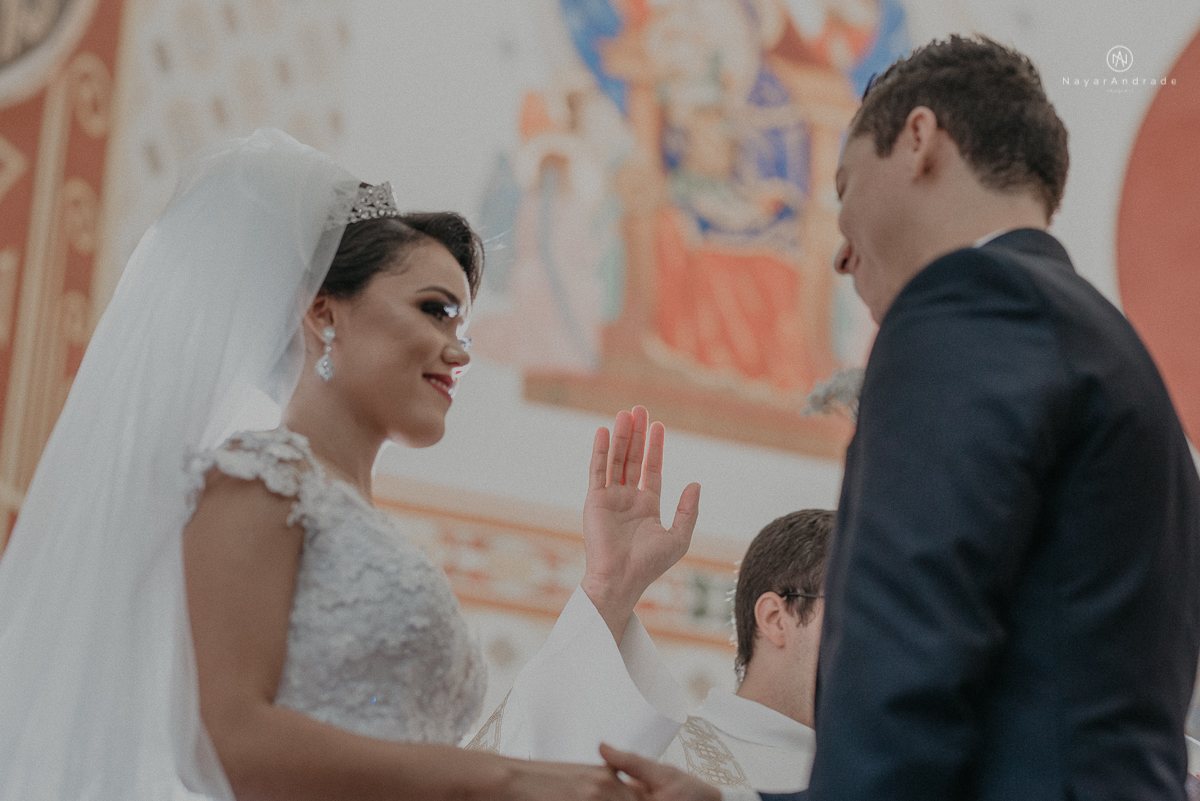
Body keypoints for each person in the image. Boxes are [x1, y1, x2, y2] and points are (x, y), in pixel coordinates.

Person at [0, 129, 701, 800]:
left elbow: (431, 765)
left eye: (461, 325)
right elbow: (217, 738)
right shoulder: (260, 481)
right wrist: (502, 783)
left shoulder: (364, 526)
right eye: (435, 310)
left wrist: (608, 587)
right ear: (324, 313)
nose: (460, 351)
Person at [607, 34, 1200, 801]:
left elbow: (906, 665)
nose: (840, 253)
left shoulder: (963, 303)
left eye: (845, 183)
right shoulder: (1114, 349)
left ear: (919, 139)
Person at [472, 508, 831, 794]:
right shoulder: (655, 757)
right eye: (855, 613)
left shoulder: (864, 780)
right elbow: (523, 771)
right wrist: (609, 589)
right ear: (775, 618)